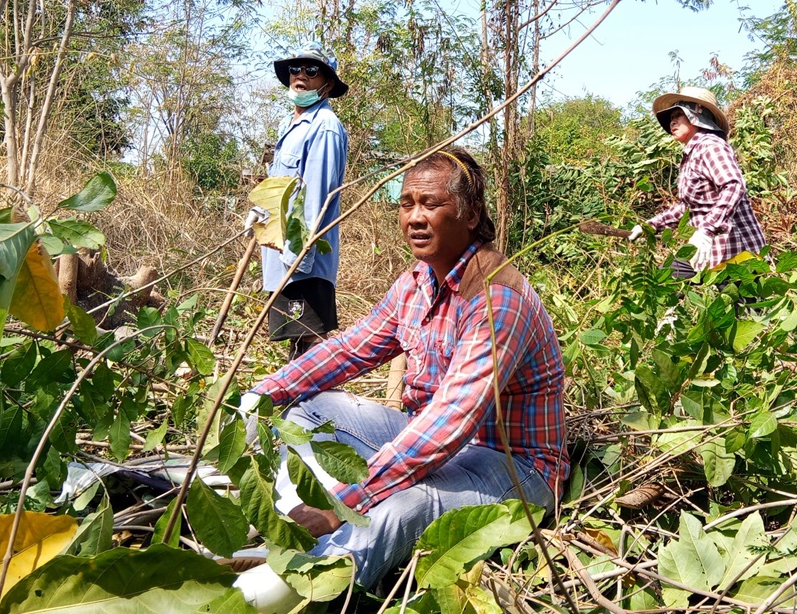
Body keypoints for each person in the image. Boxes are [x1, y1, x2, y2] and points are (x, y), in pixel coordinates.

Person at [240, 146, 567, 591]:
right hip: (427, 436)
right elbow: (349, 350)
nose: (414, 217)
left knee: (403, 506)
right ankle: (281, 521)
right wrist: (261, 394)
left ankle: (302, 587)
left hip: (511, 463)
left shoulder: (496, 297)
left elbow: (452, 420)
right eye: (407, 203)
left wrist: (346, 503)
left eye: (431, 204)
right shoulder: (416, 280)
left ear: (470, 216)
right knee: (306, 411)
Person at [256, 42, 349, 360]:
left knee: (310, 349)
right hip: (283, 261)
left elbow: (314, 201)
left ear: (327, 83)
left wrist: (298, 260)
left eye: (311, 70)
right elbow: (280, 188)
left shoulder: (324, 129)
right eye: (295, 69)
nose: (301, 76)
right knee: (297, 348)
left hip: (301, 264)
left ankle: (320, 412)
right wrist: (260, 216)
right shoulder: (289, 126)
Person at [629, 86, 766, 278]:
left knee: (745, 308)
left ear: (696, 115)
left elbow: (733, 186)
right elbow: (688, 208)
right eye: (670, 118)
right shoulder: (691, 154)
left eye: (679, 114)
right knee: (662, 283)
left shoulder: (710, 146)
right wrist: (650, 226)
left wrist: (706, 231)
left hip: (738, 252)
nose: (672, 122)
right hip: (707, 251)